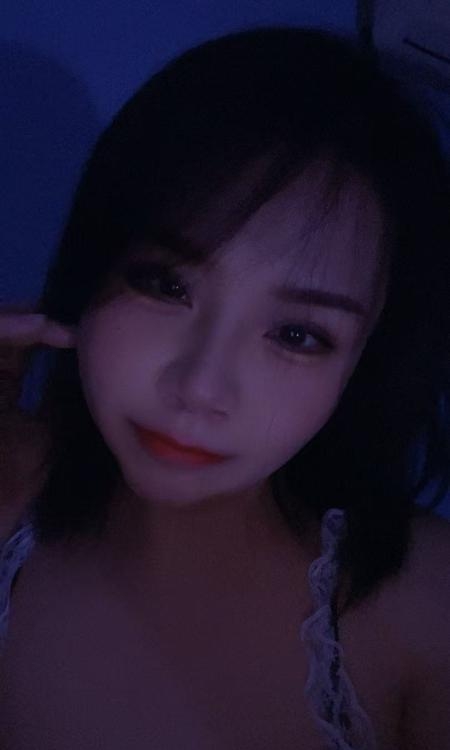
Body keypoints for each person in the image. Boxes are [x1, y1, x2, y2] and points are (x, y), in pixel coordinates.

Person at [0, 26, 449, 750]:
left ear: (365, 362)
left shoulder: (425, 604)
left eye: (297, 334)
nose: (200, 388)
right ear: (93, 270)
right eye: (163, 285)